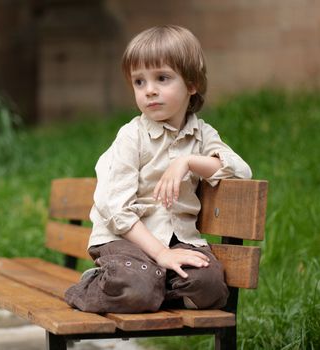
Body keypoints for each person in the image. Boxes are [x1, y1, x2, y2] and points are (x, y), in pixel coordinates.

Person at [64, 25, 252, 314]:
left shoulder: (202, 135)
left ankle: (150, 287)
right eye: (139, 82)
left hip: (178, 240)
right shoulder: (131, 137)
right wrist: (161, 253)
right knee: (137, 283)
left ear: (191, 84)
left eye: (162, 78)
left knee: (210, 284)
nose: (149, 90)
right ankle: (97, 285)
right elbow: (116, 210)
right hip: (125, 239)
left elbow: (241, 172)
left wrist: (186, 162)